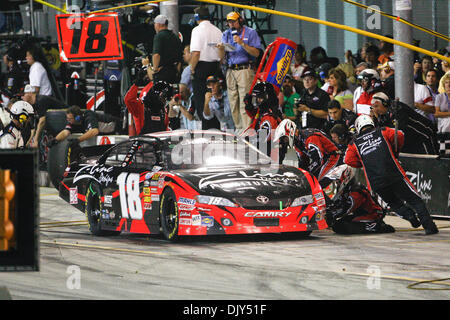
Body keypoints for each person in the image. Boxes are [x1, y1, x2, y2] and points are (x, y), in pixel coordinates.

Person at [344, 115, 439, 235]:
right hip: (394, 174)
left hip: (376, 182)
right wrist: (395, 149)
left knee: (394, 203)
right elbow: (400, 135)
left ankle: (410, 216)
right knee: (415, 200)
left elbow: (348, 160)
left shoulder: (354, 143)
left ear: (358, 128)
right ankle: (429, 227)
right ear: (372, 123)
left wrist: (364, 162)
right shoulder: (383, 131)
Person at [218, 11, 262, 131]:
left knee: (244, 101)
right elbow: (221, 58)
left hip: (245, 69)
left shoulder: (250, 32)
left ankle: (247, 129)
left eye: (233, 21)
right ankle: (239, 128)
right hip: (230, 70)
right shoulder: (226, 34)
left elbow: (257, 53)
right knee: (233, 102)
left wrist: (242, 43)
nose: (231, 24)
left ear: (240, 21)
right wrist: (221, 49)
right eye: (229, 22)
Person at [370, 92, 438, 155]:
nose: (375, 110)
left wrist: (379, 121)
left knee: (429, 162)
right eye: (373, 107)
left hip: (424, 135)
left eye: (376, 106)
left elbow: (396, 130)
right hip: (411, 140)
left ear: (385, 103)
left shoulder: (397, 108)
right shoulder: (382, 115)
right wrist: (375, 119)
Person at [274, 118, 341, 181]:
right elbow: (303, 161)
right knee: (307, 180)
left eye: (284, 138)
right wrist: (299, 175)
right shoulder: (297, 142)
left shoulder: (310, 138)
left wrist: (305, 175)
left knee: (318, 183)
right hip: (325, 159)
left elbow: (318, 160)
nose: (284, 141)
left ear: (291, 132)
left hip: (333, 157)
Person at [189, 5, 223, 129]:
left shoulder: (197, 30)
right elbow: (221, 53)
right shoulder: (217, 30)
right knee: (216, 98)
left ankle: (206, 129)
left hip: (201, 68)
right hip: (215, 67)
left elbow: (196, 53)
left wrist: (192, 68)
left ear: (197, 17)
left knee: (202, 100)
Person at [243, 82, 281, 157]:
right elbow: (254, 117)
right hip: (263, 152)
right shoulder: (264, 110)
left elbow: (262, 138)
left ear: (266, 97)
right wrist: (248, 105)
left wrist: (246, 141)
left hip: (269, 157)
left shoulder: (269, 116)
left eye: (259, 97)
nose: (257, 100)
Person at [147, 14, 183, 84]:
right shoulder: (175, 36)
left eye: (155, 23)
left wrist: (155, 69)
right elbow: (180, 57)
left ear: (159, 24)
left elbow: (156, 54)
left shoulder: (159, 36)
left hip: (162, 73)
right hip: (173, 71)